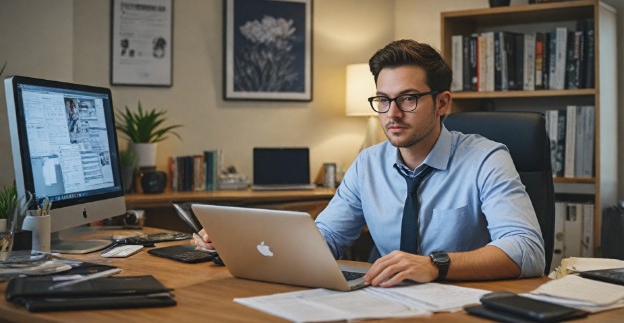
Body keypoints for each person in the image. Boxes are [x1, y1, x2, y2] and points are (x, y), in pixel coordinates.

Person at [194, 39, 544, 287]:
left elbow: (527, 250)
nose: (391, 114)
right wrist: (240, 243)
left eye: (408, 99)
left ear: (442, 103)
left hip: (463, 306)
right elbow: (326, 237)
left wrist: (434, 265)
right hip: (384, 303)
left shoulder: (487, 159)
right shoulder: (367, 164)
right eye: (382, 99)